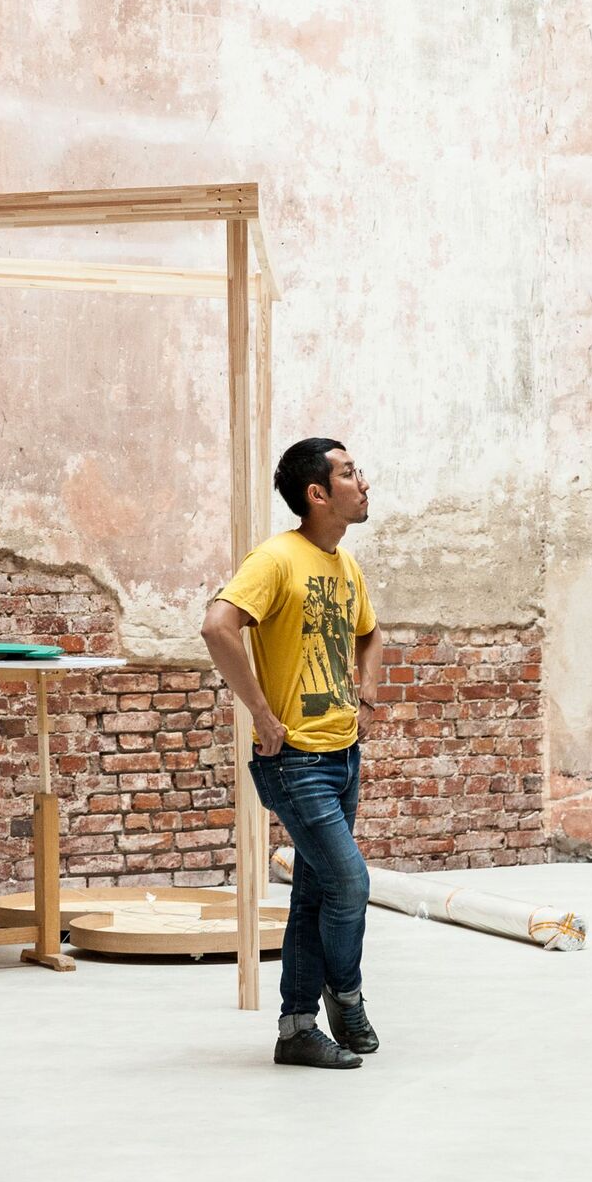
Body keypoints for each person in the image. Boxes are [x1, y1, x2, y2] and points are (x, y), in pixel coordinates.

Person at [202, 438, 383, 1070]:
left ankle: (297, 1028)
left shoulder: (344, 564)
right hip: (296, 759)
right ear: (317, 493)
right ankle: (346, 995)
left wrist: (366, 691)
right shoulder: (277, 558)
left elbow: (369, 633)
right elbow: (218, 625)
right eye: (349, 473)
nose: (363, 481)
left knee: (314, 892)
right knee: (349, 883)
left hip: (343, 754)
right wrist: (259, 711)